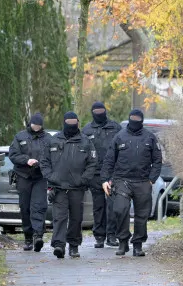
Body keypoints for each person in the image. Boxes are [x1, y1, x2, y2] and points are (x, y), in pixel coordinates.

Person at [101, 109, 162, 257]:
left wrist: (151, 179)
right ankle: (122, 242)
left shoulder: (150, 138)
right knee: (120, 210)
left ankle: (138, 245)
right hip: (122, 180)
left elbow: (157, 160)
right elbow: (109, 160)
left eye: (137, 118)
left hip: (143, 181)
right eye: (133, 118)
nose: (135, 120)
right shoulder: (119, 137)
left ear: (141, 120)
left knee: (142, 215)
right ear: (129, 119)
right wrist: (104, 180)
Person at [40, 112, 97, 259]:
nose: (71, 125)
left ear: (78, 123)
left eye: (74, 122)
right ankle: (59, 245)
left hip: (77, 188)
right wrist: (51, 177)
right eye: (68, 122)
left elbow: (92, 163)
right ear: (64, 122)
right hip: (58, 187)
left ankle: (74, 246)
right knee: (59, 217)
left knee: (76, 218)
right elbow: (44, 161)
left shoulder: (86, 142)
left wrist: (84, 179)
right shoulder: (53, 141)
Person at [82, 101, 122, 248]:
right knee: (98, 206)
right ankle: (99, 236)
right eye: (96, 111)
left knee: (112, 205)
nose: (99, 113)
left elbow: (122, 148)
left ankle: (111, 235)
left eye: (101, 110)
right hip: (95, 174)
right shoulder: (87, 130)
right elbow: (83, 152)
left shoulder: (115, 127)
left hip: (112, 173)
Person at [9, 113, 50, 251]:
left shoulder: (48, 138)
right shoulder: (20, 137)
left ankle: (38, 235)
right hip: (23, 176)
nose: (36, 128)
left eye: (39, 126)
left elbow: (54, 155)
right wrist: (26, 160)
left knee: (38, 206)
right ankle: (28, 237)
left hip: (40, 177)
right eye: (34, 125)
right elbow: (13, 155)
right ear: (30, 124)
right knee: (25, 207)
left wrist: (42, 164)